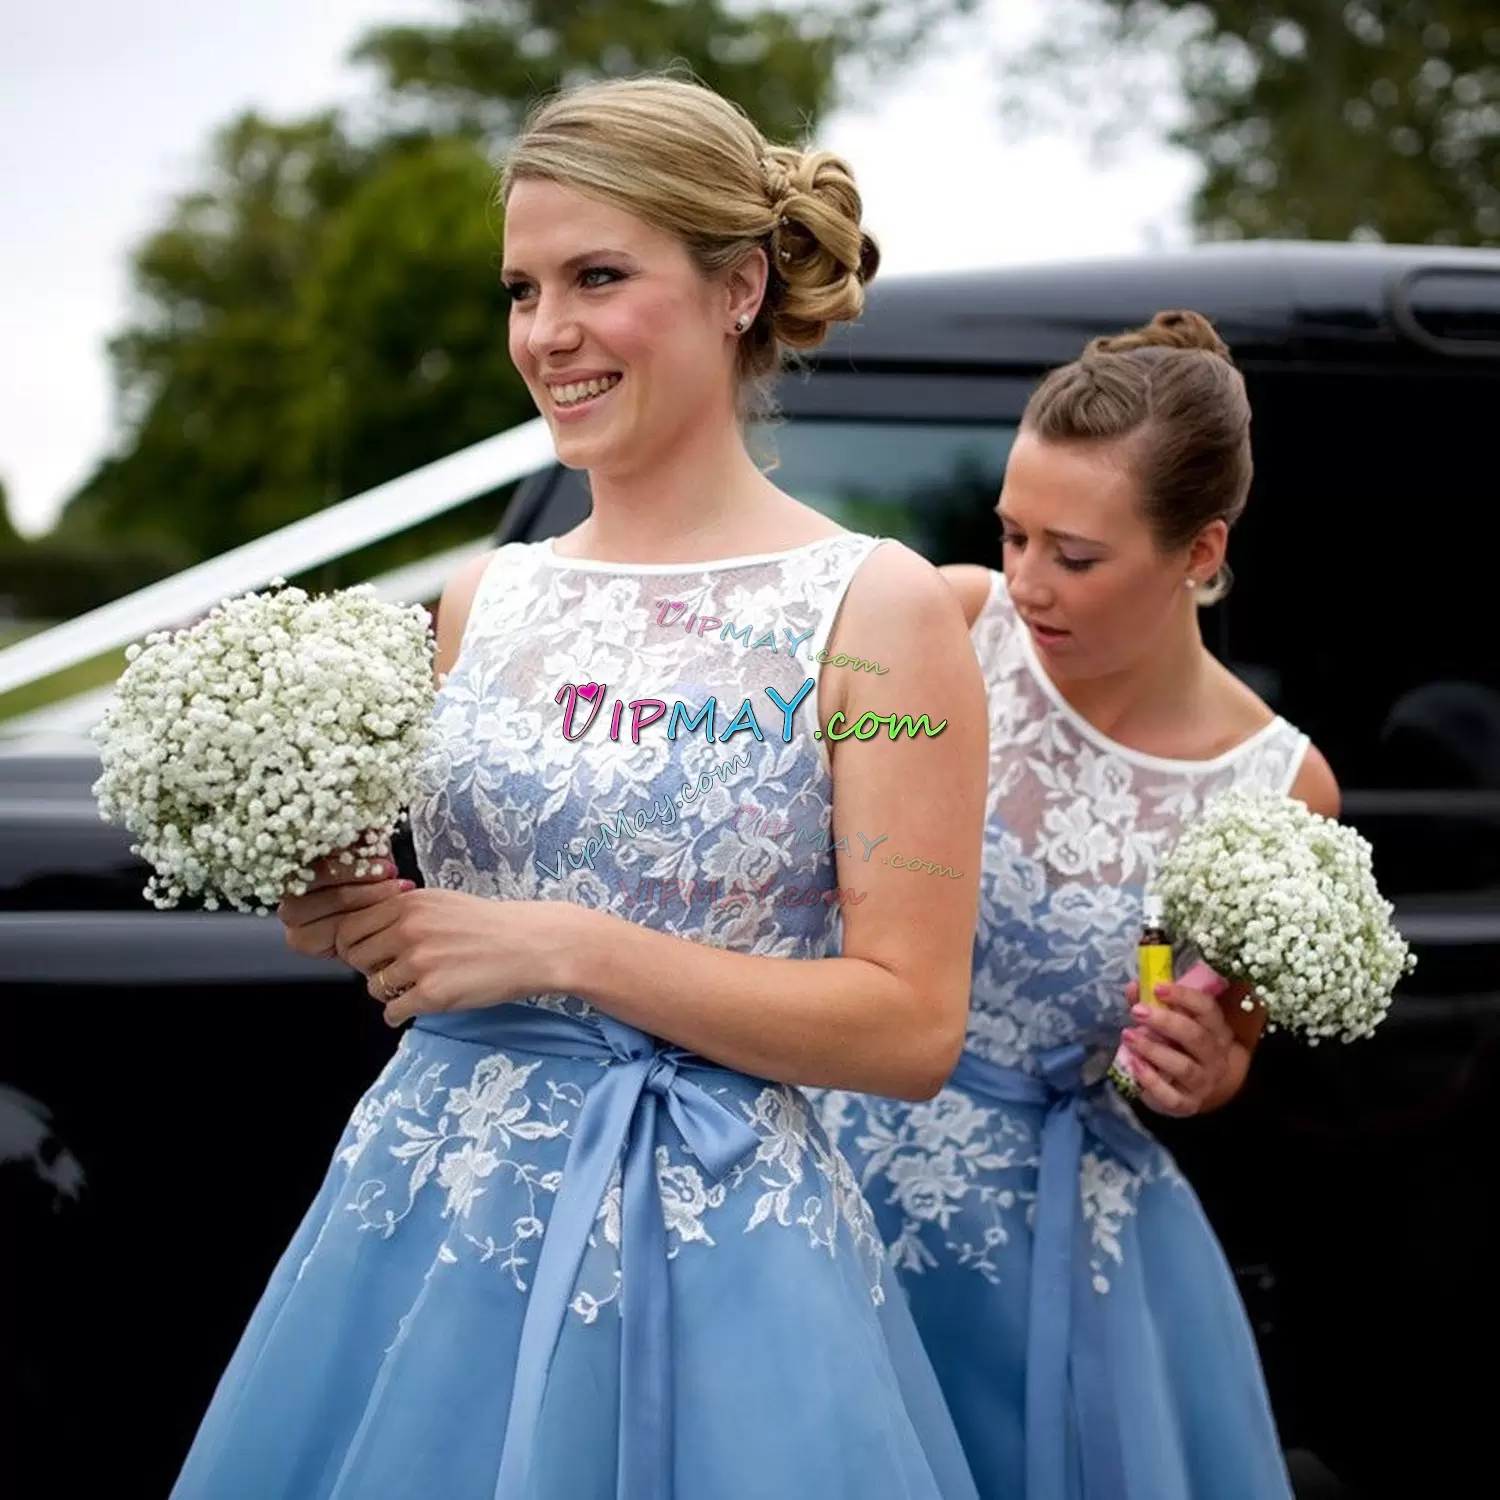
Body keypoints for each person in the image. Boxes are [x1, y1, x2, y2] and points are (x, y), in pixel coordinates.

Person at [169, 75, 989, 1500]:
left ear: (739, 287)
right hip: (432, 1218)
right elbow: (439, 930)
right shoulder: (483, 601)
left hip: (722, 1244)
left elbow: (911, 1027)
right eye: (523, 286)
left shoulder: (877, 611)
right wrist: (357, 911)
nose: (547, 333)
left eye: (597, 276)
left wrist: (559, 947)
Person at [817, 310, 1341, 1499]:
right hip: (837, 1182)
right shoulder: (948, 630)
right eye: (1012, 534)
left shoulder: (1280, 790)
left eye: (1077, 555)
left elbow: (1214, 1037)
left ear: (1201, 555)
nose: (1027, 583)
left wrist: (1208, 1070)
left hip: (1056, 1245)